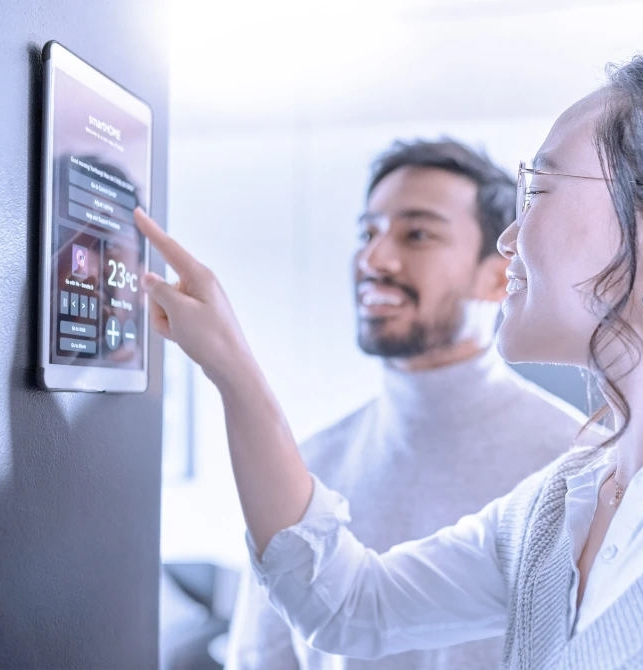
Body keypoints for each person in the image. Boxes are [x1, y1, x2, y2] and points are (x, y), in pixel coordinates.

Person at [136, 51, 643, 669]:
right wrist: (231, 368)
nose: (508, 239)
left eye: (539, 189)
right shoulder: (556, 511)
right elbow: (345, 602)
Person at [222, 139, 588, 669]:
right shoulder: (305, 466)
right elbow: (261, 659)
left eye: (417, 234)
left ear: (497, 273)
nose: (374, 259)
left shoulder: (573, 465)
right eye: (368, 233)